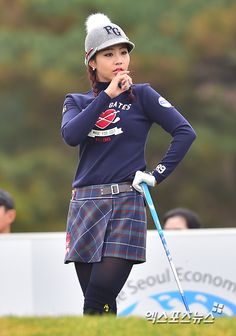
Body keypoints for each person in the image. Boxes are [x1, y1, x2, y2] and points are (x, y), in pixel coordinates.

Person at [61, 13, 196, 316]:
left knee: (100, 293)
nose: (119, 59)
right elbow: (72, 135)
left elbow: (185, 133)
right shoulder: (77, 101)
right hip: (85, 203)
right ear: (92, 61)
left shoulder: (144, 96)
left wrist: (156, 175)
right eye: (109, 54)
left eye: (123, 52)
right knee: (98, 304)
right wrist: (108, 95)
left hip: (126, 200)